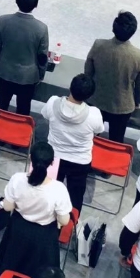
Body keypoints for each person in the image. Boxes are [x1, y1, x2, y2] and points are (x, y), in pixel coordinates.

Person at [0, 142, 72, 277]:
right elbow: (64, 221)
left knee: (9, 269)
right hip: (44, 237)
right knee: (40, 277)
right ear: (52, 163)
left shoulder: (17, 179)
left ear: (30, 158)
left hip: (18, 230)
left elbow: (7, 207)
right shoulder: (59, 189)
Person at [41, 74, 105, 212]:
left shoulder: (53, 102)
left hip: (53, 157)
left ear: (70, 87)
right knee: (75, 198)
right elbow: (98, 131)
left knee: (48, 192)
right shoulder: (94, 114)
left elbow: (46, 117)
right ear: (89, 95)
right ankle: (71, 222)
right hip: (80, 161)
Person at [84, 11, 140, 142]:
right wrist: (136, 101)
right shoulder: (139, 56)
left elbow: (88, 71)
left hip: (96, 100)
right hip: (122, 107)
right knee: (116, 140)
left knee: (89, 136)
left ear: (114, 27)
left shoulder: (98, 45)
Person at [0, 0, 49, 115]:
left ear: (16, 1)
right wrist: (41, 75)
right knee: (23, 109)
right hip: (28, 77)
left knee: (1, 106)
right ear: (36, 5)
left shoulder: (3, 20)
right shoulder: (41, 28)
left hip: (5, 71)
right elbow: (42, 56)